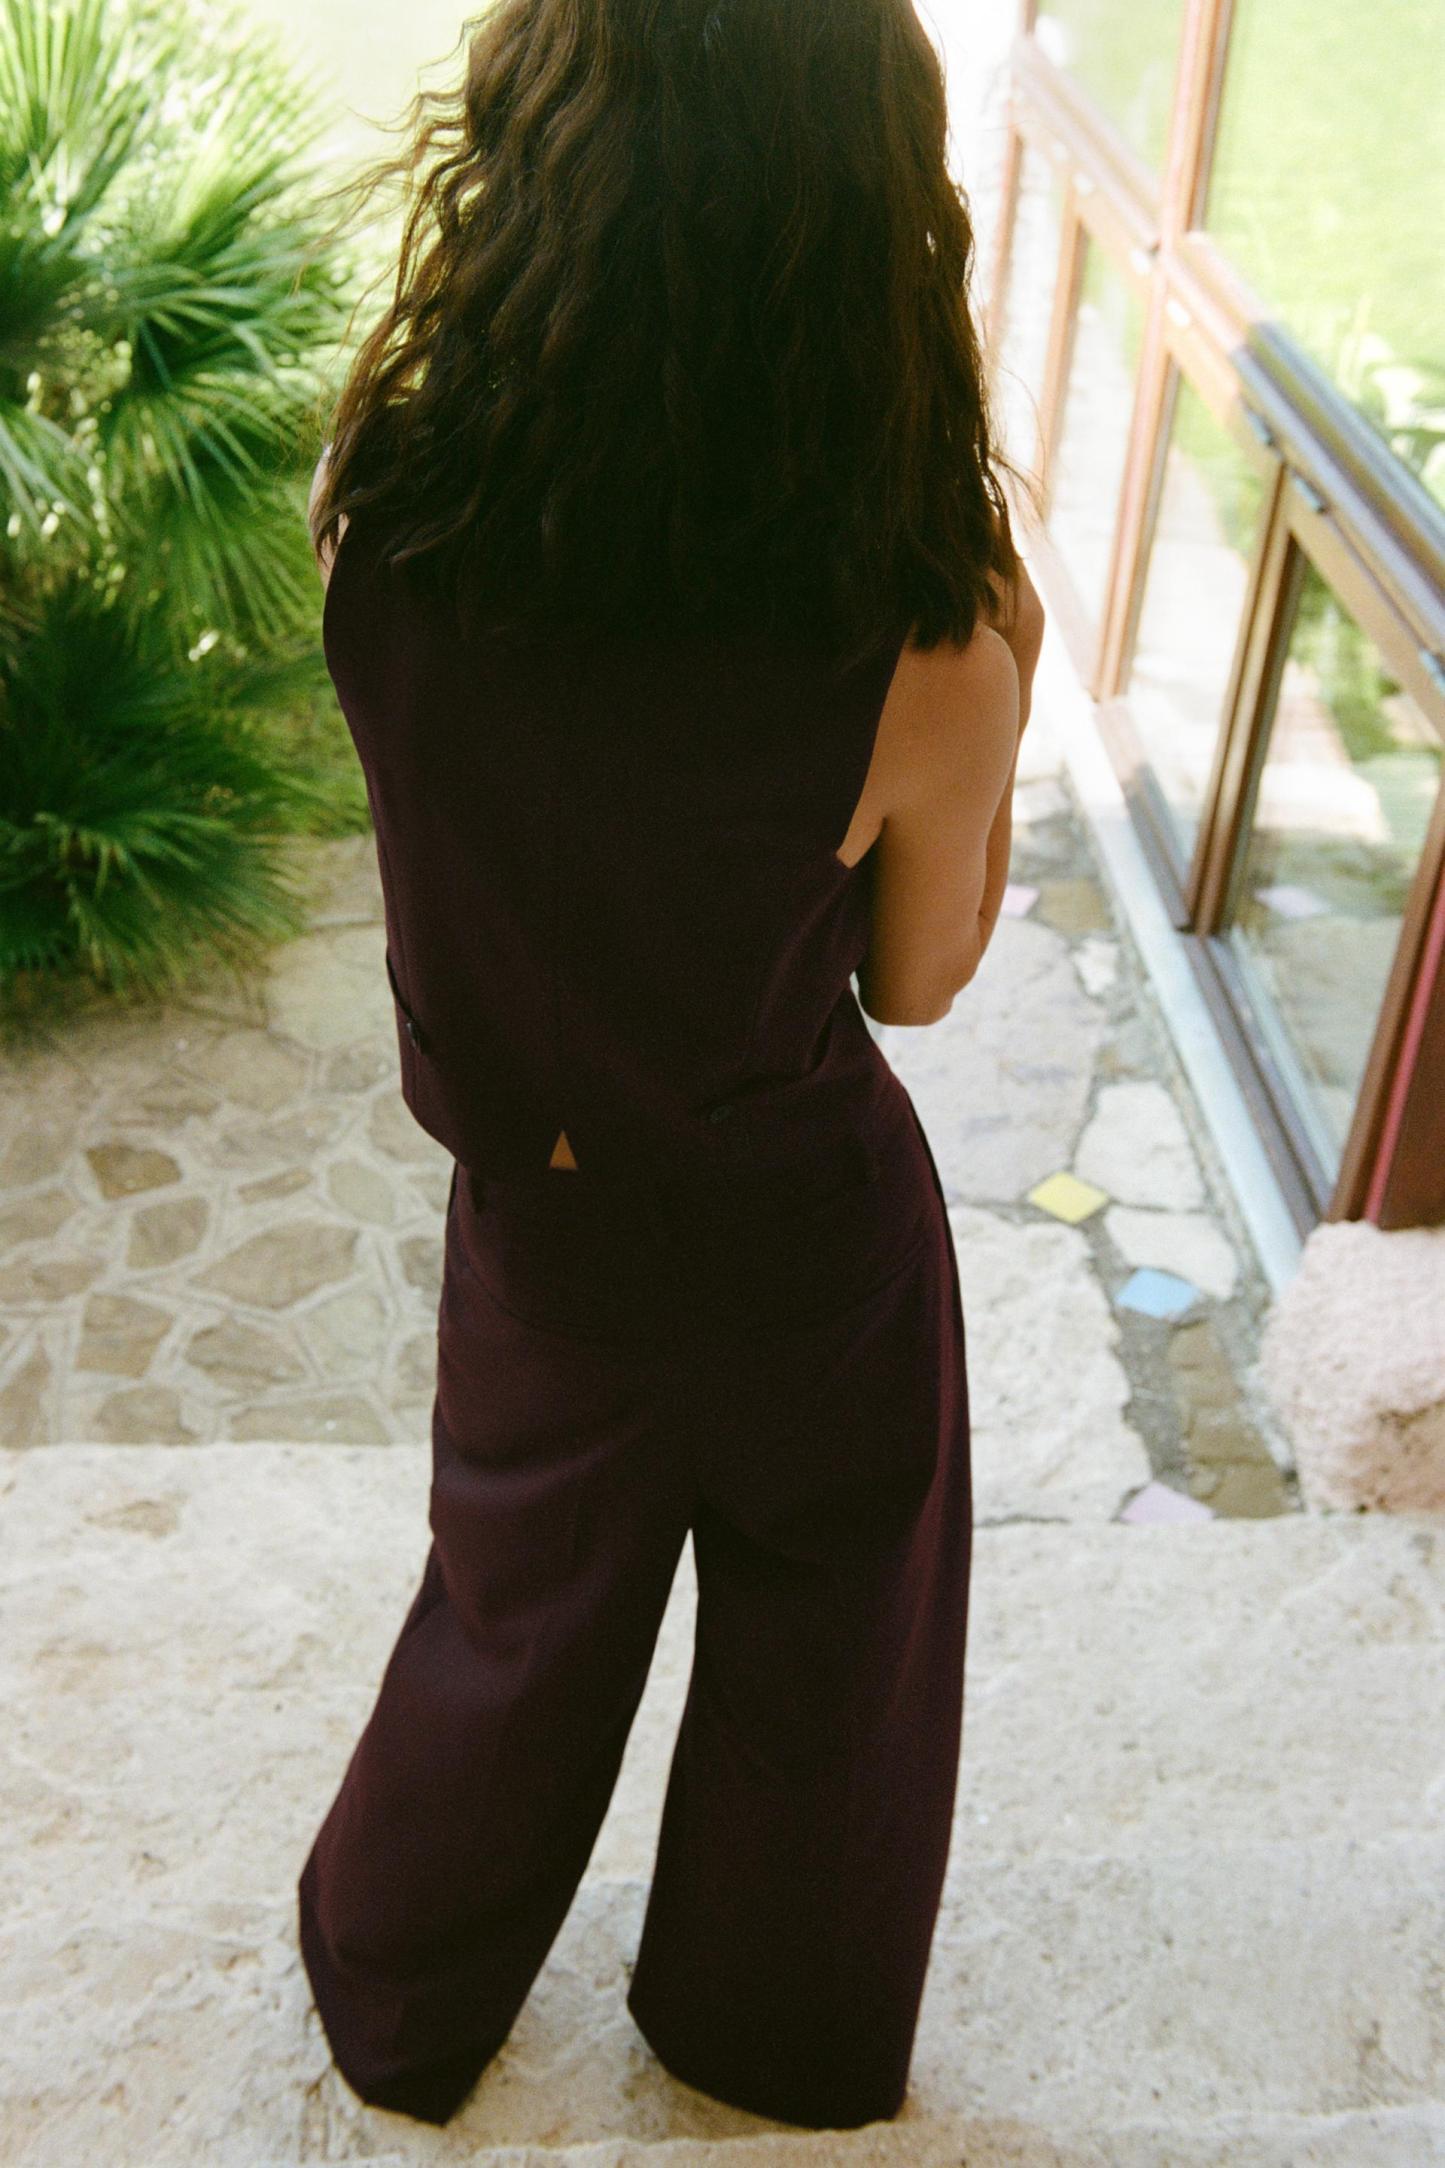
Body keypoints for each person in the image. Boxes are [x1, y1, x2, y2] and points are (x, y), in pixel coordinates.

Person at [298, 0, 1045, 2134]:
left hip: (543, 1227)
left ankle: (395, 1998)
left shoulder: (381, 508)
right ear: (867, 214)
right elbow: (919, 982)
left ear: (543, 157)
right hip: (802, 1241)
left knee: (506, 1618)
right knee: (838, 1649)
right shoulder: (923, 637)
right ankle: (769, 2037)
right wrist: (1009, 664)